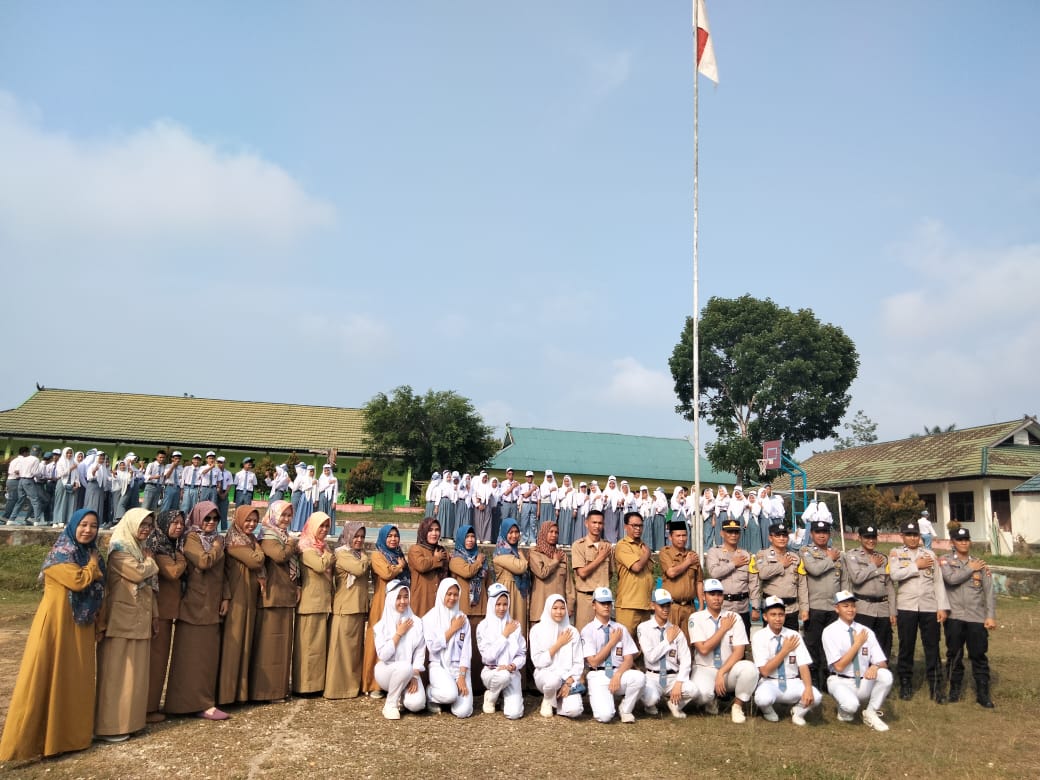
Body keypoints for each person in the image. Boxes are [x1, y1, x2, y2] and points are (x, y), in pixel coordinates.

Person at [0, 509, 105, 760]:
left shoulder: (91, 555)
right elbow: (78, 581)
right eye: (83, 525)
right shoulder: (60, 554)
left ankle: (71, 738)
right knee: (47, 678)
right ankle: (34, 743)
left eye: (93, 526)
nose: (88, 530)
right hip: (56, 626)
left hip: (80, 626)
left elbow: (100, 588)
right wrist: (92, 567)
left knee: (74, 681)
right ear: (72, 526)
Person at [94, 508, 159, 742]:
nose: (146, 529)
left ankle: (131, 722)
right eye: (142, 524)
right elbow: (139, 573)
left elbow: (150, 588)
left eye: (149, 526)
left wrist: (154, 615)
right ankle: (109, 726)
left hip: (139, 617)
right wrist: (152, 561)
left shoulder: (138, 549)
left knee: (135, 674)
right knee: (117, 673)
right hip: (121, 618)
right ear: (131, 524)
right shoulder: (119, 550)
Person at [163, 501, 229, 721]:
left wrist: (226, 596)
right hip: (194, 604)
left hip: (212, 603)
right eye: (206, 518)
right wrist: (218, 547)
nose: (210, 523)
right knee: (190, 657)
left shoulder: (215, 538)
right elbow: (203, 561)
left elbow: (223, 571)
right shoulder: (191, 538)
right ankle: (185, 703)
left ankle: (204, 701)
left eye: (215, 519)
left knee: (206, 657)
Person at [890, 519, 948, 702]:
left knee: (932, 647)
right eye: (909, 535)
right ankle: (906, 684)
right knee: (906, 647)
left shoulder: (929, 554)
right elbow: (894, 574)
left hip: (929, 607)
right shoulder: (896, 553)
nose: (913, 538)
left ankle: (936, 686)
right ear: (902, 536)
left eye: (915, 535)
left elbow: (938, 582)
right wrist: (916, 566)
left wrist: (942, 607)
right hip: (907, 606)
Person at [940, 526, 997, 707]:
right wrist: (969, 569)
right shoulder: (946, 562)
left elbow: (989, 592)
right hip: (955, 616)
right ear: (952, 543)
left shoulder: (980, 564)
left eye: (966, 539)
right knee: (954, 654)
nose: (964, 543)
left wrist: (990, 616)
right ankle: (954, 690)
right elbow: (951, 580)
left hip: (976, 618)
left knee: (979, 655)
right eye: (959, 540)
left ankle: (983, 694)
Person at [822, 590, 893, 731]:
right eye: (846, 606)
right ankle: (844, 710)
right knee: (851, 706)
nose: (850, 609)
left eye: (853, 606)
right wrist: (857, 644)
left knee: (886, 675)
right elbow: (839, 666)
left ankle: (871, 712)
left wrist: (875, 667)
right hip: (840, 680)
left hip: (863, 680)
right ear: (837, 608)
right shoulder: (830, 632)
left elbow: (883, 662)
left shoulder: (865, 631)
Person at [251, 500, 300, 702]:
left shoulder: (285, 536)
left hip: (285, 596)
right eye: (283, 515)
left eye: (289, 515)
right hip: (272, 595)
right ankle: (265, 690)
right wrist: (291, 543)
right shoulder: (268, 536)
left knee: (282, 647)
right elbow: (279, 556)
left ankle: (279, 690)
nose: (287, 519)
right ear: (273, 515)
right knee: (269, 646)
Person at [688, 578, 757, 723]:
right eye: (712, 594)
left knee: (750, 669)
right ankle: (710, 700)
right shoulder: (696, 617)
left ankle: (737, 706)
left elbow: (739, 651)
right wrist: (723, 629)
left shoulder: (734, 617)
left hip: (727, 670)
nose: (716, 598)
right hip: (704, 668)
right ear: (704, 596)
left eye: (719, 594)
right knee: (702, 695)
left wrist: (722, 671)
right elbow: (704, 649)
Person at [218, 505, 266, 706]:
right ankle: (226, 694)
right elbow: (257, 562)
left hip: (248, 596)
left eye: (255, 521)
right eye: (248, 520)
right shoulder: (234, 541)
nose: (251, 524)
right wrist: (258, 550)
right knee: (233, 643)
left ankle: (240, 693)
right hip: (236, 597)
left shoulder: (250, 540)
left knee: (246, 642)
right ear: (238, 520)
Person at [143, 509, 186, 724]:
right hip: (157, 611)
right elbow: (173, 572)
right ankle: (147, 707)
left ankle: (150, 705)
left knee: (159, 661)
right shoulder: (158, 545)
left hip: (166, 611)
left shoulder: (170, 545)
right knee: (155, 661)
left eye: (181, 523)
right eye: (174, 523)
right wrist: (181, 559)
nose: (178, 526)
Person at [751, 595, 822, 725]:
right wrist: (784, 651)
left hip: (793, 681)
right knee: (762, 699)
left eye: (781, 614)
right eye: (773, 615)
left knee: (816, 697)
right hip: (770, 682)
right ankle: (767, 711)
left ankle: (798, 711)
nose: (778, 619)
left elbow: (803, 665)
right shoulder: (759, 637)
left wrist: (807, 688)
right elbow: (765, 671)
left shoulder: (793, 635)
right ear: (765, 617)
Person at [581, 586, 645, 723]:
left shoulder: (620, 628)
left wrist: (618, 674)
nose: (606, 606)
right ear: (594, 605)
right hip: (598, 674)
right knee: (605, 717)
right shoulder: (588, 630)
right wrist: (611, 642)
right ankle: (605, 703)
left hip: (618, 673)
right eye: (602, 603)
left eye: (609, 603)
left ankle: (625, 709)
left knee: (639, 677)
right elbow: (593, 662)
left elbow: (628, 659)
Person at [799, 519, 848, 690]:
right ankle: (812, 680)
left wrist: (844, 605)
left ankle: (828, 679)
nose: (821, 535)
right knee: (812, 644)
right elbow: (814, 570)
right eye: (818, 532)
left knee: (831, 645)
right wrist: (829, 559)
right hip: (815, 606)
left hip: (833, 608)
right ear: (812, 534)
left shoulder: (838, 554)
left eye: (825, 532)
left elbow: (844, 580)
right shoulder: (806, 551)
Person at [325, 521, 370, 700]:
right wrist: (366, 557)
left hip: (357, 607)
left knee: (353, 652)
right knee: (340, 651)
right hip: (345, 607)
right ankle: (336, 689)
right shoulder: (342, 554)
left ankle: (351, 687)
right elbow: (358, 569)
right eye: (356, 536)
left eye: (362, 537)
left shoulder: (356, 554)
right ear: (347, 536)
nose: (359, 540)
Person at [363, 524, 409, 697]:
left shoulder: (399, 555)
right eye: (389, 536)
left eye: (395, 536)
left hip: (398, 605)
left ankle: (393, 683)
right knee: (378, 641)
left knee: (395, 641)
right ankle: (374, 684)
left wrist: (398, 566)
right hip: (382, 603)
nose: (393, 539)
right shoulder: (377, 555)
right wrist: (398, 567)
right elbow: (386, 573)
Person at [637, 589, 697, 718]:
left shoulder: (676, 630)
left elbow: (686, 659)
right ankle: (651, 705)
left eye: (668, 605)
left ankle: (674, 704)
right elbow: (651, 657)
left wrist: (679, 682)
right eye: (661, 605)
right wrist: (667, 641)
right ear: (653, 605)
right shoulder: (644, 628)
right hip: (653, 676)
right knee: (650, 698)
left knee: (692, 689)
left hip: (672, 677)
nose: (665, 609)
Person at [373, 580, 427, 719]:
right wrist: (398, 634)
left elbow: (420, 652)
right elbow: (383, 656)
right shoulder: (381, 626)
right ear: (390, 599)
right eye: (398, 597)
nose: (403, 601)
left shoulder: (417, 622)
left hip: (410, 673)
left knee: (417, 704)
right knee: (404, 667)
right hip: (386, 671)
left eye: (405, 596)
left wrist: (414, 675)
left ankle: (401, 696)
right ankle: (390, 705)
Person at [294, 511, 334, 695]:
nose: (324, 530)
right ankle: (303, 686)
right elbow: (319, 566)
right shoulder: (305, 547)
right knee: (307, 647)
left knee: (318, 648)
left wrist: (326, 554)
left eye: (327, 526)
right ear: (312, 527)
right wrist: (327, 556)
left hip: (322, 602)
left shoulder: (322, 547)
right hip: (310, 602)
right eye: (321, 526)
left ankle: (315, 685)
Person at [423, 577, 474, 717]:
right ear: (442, 594)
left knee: (462, 712)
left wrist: (462, 676)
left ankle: (451, 694)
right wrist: (452, 629)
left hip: (459, 668)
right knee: (450, 695)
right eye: (449, 594)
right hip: (439, 666)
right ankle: (431, 693)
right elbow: (433, 647)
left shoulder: (463, 618)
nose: (452, 598)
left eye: (456, 594)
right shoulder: (429, 618)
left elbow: (466, 651)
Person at [448, 524, 490, 691]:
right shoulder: (456, 559)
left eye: (472, 537)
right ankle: (463, 682)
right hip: (464, 608)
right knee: (463, 647)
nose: (470, 540)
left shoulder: (482, 558)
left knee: (479, 646)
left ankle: (479, 685)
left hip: (481, 607)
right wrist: (478, 562)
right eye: (467, 537)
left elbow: (487, 581)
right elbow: (467, 572)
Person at [476, 583, 526, 719]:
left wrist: (513, 665)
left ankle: (504, 698)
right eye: (498, 604)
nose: (502, 608)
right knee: (503, 675)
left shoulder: (515, 625)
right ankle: (491, 697)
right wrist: (504, 635)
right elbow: (487, 657)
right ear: (492, 604)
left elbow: (522, 654)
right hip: (492, 673)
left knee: (514, 713)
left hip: (511, 673)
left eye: (505, 604)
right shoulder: (483, 627)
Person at [529, 594, 584, 718]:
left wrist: (569, 682)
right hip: (546, 677)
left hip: (567, 678)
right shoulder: (537, 630)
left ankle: (557, 703)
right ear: (548, 608)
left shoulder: (573, 631)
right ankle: (548, 699)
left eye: (562, 608)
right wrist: (558, 644)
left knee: (575, 711)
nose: (559, 612)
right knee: (553, 681)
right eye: (555, 608)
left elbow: (578, 662)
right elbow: (538, 662)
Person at [845, 524, 895, 659]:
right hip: (863, 608)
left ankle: (882, 675)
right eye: (867, 537)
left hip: (883, 608)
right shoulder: (852, 556)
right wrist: (873, 566)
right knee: (863, 646)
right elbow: (856, 578)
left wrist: (892, 611)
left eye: (873, 537)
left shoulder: (883, 558)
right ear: (859, 538)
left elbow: (889, 585)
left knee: (884, 645)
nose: (871, 540)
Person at [750, 522, 804, 630]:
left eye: (784, 535)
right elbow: (762, 574)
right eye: (778, 535)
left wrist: (804, 608)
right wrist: (781, 565)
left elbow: (802, 585)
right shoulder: (762, 555)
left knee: (792, 643)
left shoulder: (795, 557)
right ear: (770, 538)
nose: (781, 538)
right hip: (772, 609)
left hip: (791, 609)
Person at [705, 518, 754, 636]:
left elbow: (753, 581)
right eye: (729, 532)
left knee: (742, 645)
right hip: (723, 607)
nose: (733, 535)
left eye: (736, 532)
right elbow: (714, 573)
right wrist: (733, 564)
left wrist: (756, 607)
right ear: (722, 533)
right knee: (722, 645)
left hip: (742, 607)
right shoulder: (714, 552)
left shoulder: (746, 554)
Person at [658, 520, 704, 642]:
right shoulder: (665, 552)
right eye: (678, 536)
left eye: (684, 535)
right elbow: (671, 573)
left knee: (689, 643)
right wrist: (687, 562)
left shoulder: (692, 554)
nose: (682, 539)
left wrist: (701, 604)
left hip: (689, 607)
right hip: (672, 607)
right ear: (670, 537)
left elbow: (699, 581)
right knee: (670, 642)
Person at [613, 510, 654, 641]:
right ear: (626, 527)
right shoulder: (622, 545)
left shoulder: (643, 546)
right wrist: (647, 554)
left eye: (640, 526)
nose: (638, 529)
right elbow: (636, 567)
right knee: (625, 645)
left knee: (642, 646)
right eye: (634, 525)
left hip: (645, 604)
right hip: (628, 605)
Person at [571, 508, 612, 630]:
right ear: (586, 523)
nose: (597, 526)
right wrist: (600, 558)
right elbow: (582, 573)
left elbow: (610, 573)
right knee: (583, 634)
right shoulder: (579, 545)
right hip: (586, 598)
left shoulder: (607, 546)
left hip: (604, 599)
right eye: (594, 522)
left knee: (603, 635)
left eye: (600, 523)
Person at [528, 520, 575, 626]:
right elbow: (542, 573)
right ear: (544, 533)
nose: (554, 535)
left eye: (556, 532)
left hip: (558, 612)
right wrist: (555, 562)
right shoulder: (535, 553)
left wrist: (570, 605)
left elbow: (569, 584)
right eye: (551, 532)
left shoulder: (562, 555)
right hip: (540, 610)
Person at [492, 518, 531, 635]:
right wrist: (522, 555)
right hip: (507, 592)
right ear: (504, 533)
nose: (514, 535)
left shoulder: (513, 552)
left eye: (516, 532)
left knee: (519, 627)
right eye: (510, 532)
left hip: (518, 594)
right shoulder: (501, 553)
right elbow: (521, 567)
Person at [407, 516, 449, 617]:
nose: (434, 534)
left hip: (438, 598)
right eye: (430, 530)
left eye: (437, 530)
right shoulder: (415, 549)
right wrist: (436, 558)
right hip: (421, 599)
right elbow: (422, 566)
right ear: (424, 531)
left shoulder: (441, 550)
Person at [554, 474, 578, 546]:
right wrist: (557, 510)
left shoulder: (574, 490)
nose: (566, 483)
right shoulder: (560, 489)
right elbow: (558, 498)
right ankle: (560, 542)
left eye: (568, 481)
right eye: (565, 481)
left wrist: (575, 510)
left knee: (568, 525)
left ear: (570, 482)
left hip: (569, 509)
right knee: (561, 525)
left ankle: (567, 542)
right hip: (562, 509)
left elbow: (574, 501)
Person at [518, 470, 540, 545]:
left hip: (534, 504)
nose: (530, 478)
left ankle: (533, 539)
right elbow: (525, 495)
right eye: (528, 477)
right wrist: (532, 489)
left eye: (531, 477)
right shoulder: (523, 486)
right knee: (525, 522)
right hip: (526, 503)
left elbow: (538, 499)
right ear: (526, 478)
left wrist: (538, 510)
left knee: (533, 523)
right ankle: (524, 539)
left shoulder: (536, 486)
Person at [471, 471, 494, 543]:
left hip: (487, 505)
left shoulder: (489, 486)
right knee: (478, 521)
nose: (485, 479)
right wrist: (477, 505)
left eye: (486, 478)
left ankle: (486, 538)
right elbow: (473, 495)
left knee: (487, 521)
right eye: (484, 477)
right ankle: (478, 537)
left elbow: (491, 496)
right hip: (479, 505)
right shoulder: (477, 486)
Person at [601, 475, 624, 543]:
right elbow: (602, 502)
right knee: (607, 526)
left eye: (613, 483)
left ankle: (613, 541)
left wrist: (620, 502)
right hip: (607, 511)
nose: (612, 485)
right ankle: (607, 541)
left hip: (615, 511)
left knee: (614, 526)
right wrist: (605, 500)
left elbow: (620, 503)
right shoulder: (605, 491)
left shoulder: (618, 492)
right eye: (610, 483)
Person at [316, 463, 337, 530]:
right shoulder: (321, 478)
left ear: (330, 470)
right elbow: (320, 489)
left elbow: (335, 491)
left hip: (331, 498)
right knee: (322, 513)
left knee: (330, 514)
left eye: (328, 470)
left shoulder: (334, 479)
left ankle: (329, 531)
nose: (326, 472)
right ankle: (320, 529)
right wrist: (328, 483)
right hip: (322, 496)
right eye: (325, 470)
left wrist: (334, 502)